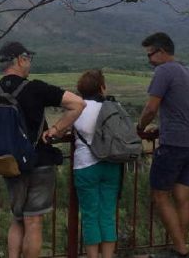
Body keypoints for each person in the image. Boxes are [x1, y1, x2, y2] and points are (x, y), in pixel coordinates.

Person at [0, 41, 85, 258]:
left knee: (17, 218)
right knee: (34, 221)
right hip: (40, 161)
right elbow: (78, 104)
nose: (29, 63)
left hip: (9, 162)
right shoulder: (35, 88)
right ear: (21, 59)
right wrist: (57, 129)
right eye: (28, 59)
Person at [137, 32, 189, 258]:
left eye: (150, 54)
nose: (149, 60)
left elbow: (151, 108)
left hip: (173, 144)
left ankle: (181, 250)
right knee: (182, 197)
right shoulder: (187, 71)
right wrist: (163, 127)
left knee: (160, 195)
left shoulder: (163, 71)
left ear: (162, 51)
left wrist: (141, 127)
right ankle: (180, 247)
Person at [72, 69, 122, 258]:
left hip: (85, 166)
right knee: (108, 214)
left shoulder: (78, 108)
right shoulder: (113, 107)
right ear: (102, 88)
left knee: (90, 215)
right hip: (112, 164)